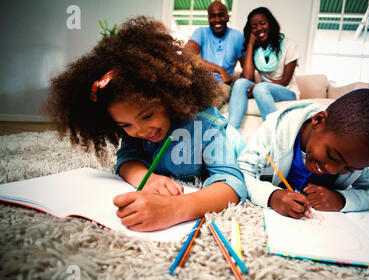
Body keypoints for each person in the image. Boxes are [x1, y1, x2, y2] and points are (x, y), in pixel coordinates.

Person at [44, 16, 247, 232]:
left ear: (169, 99)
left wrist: (177, 208)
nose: (139, 130)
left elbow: (232, 184)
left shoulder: (204, 124)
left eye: (147, 116)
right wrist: (145, 177)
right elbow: (127, 158)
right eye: (125, 125)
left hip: (235, 148)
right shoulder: (134, 127)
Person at [238, 89, 369, 218]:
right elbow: (242, 172)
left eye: (348, 169)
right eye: (332, 156)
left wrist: (341, 200)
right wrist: (272, 196)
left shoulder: (355, 155)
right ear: (318, 121)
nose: (332, 170)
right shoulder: (276, 130)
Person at [228, 7, 301, 129]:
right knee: (240, 83)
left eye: (262, 23)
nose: (259, 28)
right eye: (254, 26)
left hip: (287, 91)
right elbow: (248, 78)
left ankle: (274, 133)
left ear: (270, 24)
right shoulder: (256, 49)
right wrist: (250, 44)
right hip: (263, 90)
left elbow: (285, 81)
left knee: (260, 88)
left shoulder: (289, 45)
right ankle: (230, 133)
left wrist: (257, 87)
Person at [183, 1, 245, 102]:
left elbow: (246, 69)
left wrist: (238, 86)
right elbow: (187, 55)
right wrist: (219, 70)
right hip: (201, 83)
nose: (217, 20)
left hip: (222, 85)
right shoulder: (201, 33)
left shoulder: (237, 37)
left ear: (227, 18)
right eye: (213, 16)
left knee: (211, 103)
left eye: (221, 15)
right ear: (208, 19)